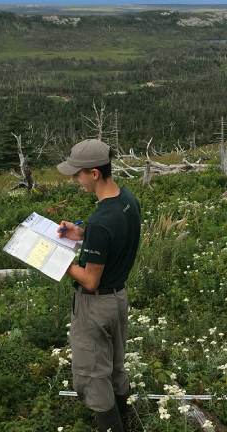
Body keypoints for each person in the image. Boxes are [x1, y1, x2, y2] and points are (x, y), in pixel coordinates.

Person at [53, 139, 141, 432]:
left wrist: (58, 261)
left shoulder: (103, 220)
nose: (75, 179)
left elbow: (90, 279)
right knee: (115, 366)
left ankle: (111, 426)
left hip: (95, 306)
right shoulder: (127, 200)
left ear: (94, 173)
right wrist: (81, 234)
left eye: (78, 174)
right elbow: (113, 238)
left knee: (92, 374)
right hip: (118, 298)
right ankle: (124, 419)